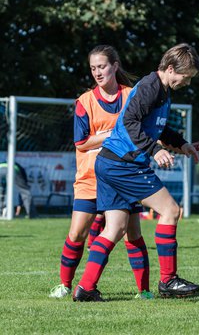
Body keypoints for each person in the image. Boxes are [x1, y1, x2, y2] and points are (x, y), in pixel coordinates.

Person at [73, 43, 199, 302]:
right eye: (184, 77)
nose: (186, 82)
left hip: (110, 163)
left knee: (115, 228)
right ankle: (168, 280)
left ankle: (85, 288)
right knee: (170, 210)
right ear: (169, 68)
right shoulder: (150, 87)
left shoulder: (162, 90)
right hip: (124, 164)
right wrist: (154, 150)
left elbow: (159, 128)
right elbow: (130, 120)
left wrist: (182, 145)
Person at [49, 45, 153, 300]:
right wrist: (106, 137)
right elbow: (80, 143)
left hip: (123, 177)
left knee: (133, 234)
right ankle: (65, 284)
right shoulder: (84, 102)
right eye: (93, 68)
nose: (97, 72)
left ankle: (145, 291)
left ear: (115, 66)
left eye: (102, 66)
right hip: (90, 179)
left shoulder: (132, 96)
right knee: (76, 233)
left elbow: (144, 131)